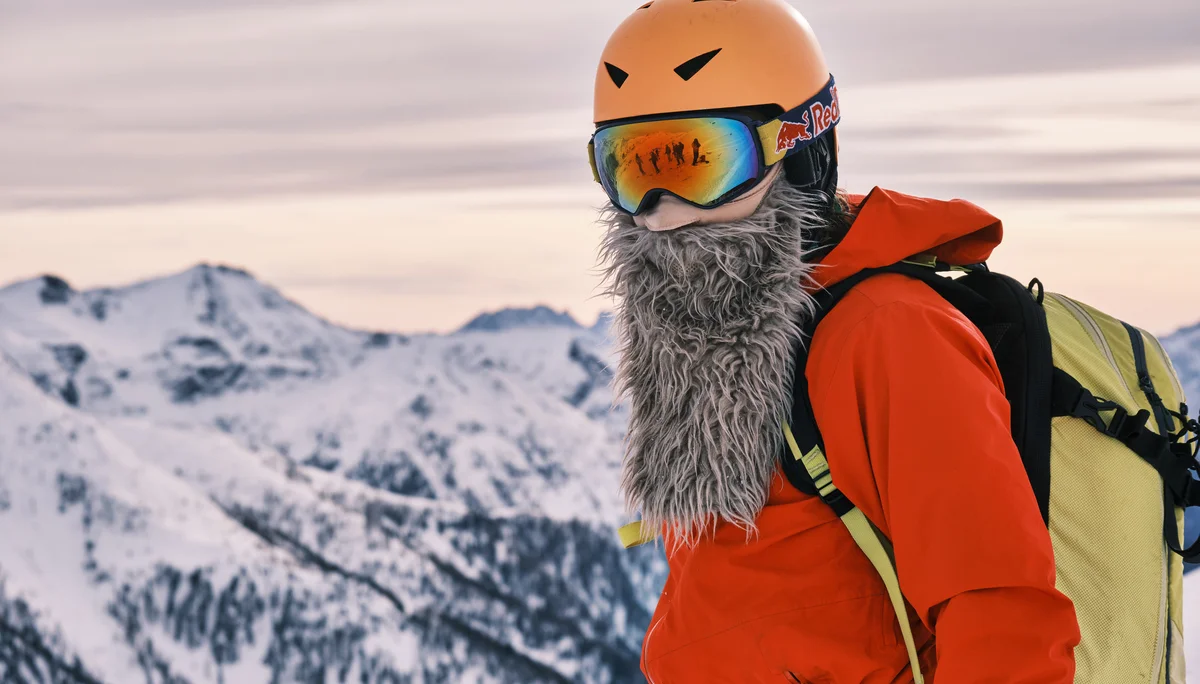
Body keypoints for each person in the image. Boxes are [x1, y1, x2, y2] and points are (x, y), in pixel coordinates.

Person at [588, 0, 1081, 682]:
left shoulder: (887, 334)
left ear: (802, 150)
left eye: (699, 161)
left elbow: (1002, 616)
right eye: (634, 167)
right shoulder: (705, 341)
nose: (663, 210)